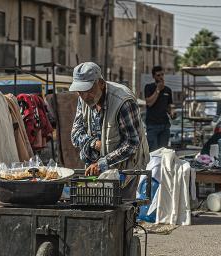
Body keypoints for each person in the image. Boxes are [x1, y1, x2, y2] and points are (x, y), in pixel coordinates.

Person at [70, 62, 150, 199]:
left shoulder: (124, 101)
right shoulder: (83, 99)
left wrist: (102, 163)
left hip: (125, 168)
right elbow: (75, 134)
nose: (84, 96)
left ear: (100, 83)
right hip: (94, 167)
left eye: (88, 90)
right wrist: (93, 143)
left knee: (123, 212)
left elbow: (131, 143)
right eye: (80, 91)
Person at [144, 66, 175, 151]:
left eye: (162, 74)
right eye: (158, 75)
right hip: (152, 125)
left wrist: (172, 112)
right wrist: (158, 90)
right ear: (153, 76)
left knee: (163, 151)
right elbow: (149, 103)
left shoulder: (168, 90)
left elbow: (169, 106)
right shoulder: (149, 87)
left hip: (165, 125)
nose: (161, 77)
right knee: (154, 152)